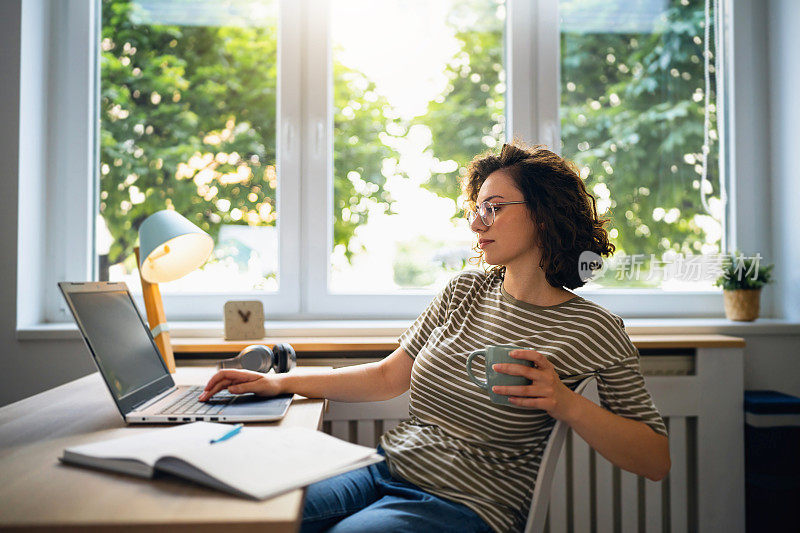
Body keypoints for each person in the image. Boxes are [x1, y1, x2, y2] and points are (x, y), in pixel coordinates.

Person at [199, 142, 671, 533]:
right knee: (252, 513)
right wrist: (282, 383)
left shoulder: (593, 328)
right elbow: (387, 376)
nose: (475, 222)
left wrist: (564, 402)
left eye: (494, 208)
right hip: (386, 468)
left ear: (544, 215)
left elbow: (655, 458)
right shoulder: (464, 289)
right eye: (475, 208)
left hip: (470, 506)